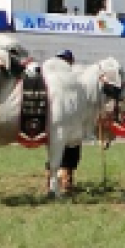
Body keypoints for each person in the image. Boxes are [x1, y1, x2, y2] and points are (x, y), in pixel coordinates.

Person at [53, 49, 81, 193]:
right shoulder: (53, 78)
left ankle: (67, 180)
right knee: (58, 150)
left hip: (73, 119)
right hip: (58, 119)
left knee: (72, 152)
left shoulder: (76, 77)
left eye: (66, 59)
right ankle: (57, 181)